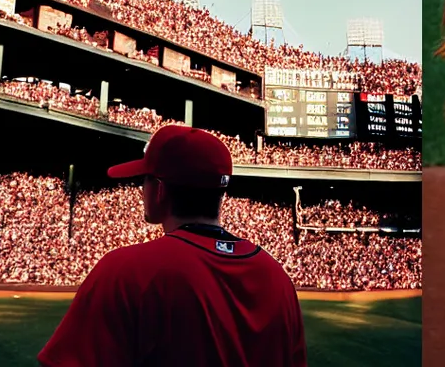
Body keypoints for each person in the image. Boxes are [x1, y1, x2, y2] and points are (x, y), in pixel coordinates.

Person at [38, 123, 306, 367]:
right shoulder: (279, 279)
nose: (141, 188)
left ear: (159, 190)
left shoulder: (126, 270)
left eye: (144, 179)